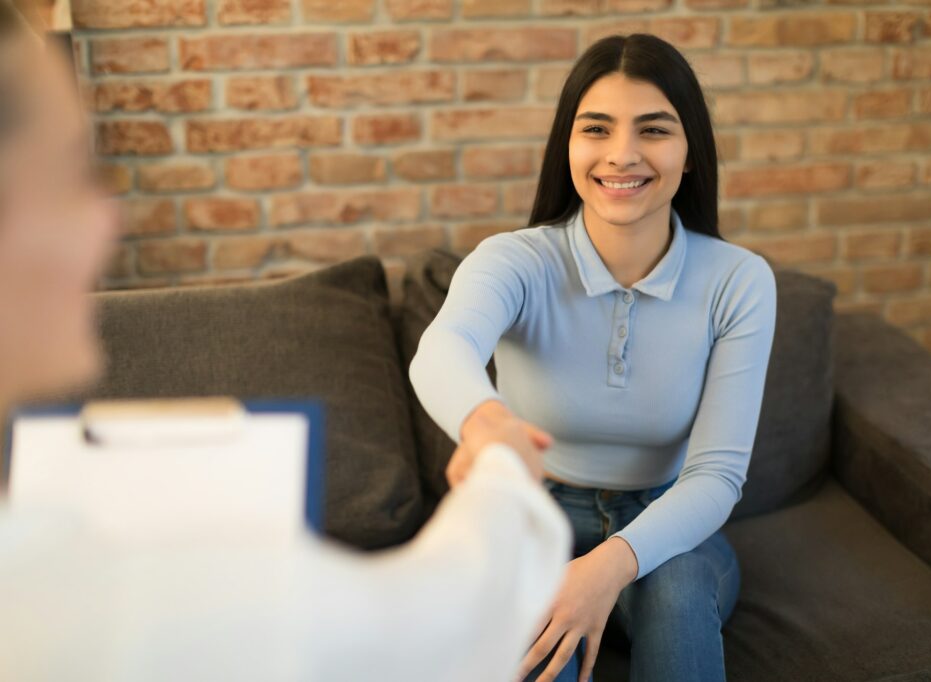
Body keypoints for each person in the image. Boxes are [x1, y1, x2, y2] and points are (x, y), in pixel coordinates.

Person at [0, 4, 571, 680]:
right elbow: (431, 622)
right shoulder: (93, 594)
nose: (106, 221)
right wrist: (502, 463)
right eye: (68, 175)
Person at [409, 33, 778, 682]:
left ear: (690, 152)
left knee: (679, 589)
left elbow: (716, 477)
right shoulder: (514, 261)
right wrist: (489, 425)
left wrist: (605, 567)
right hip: (530, 510)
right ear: (569, 146)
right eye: (597, 129)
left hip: (665, 521)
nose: (622, 154)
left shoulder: (740, 282)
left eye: (654, 130)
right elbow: (442, 349)